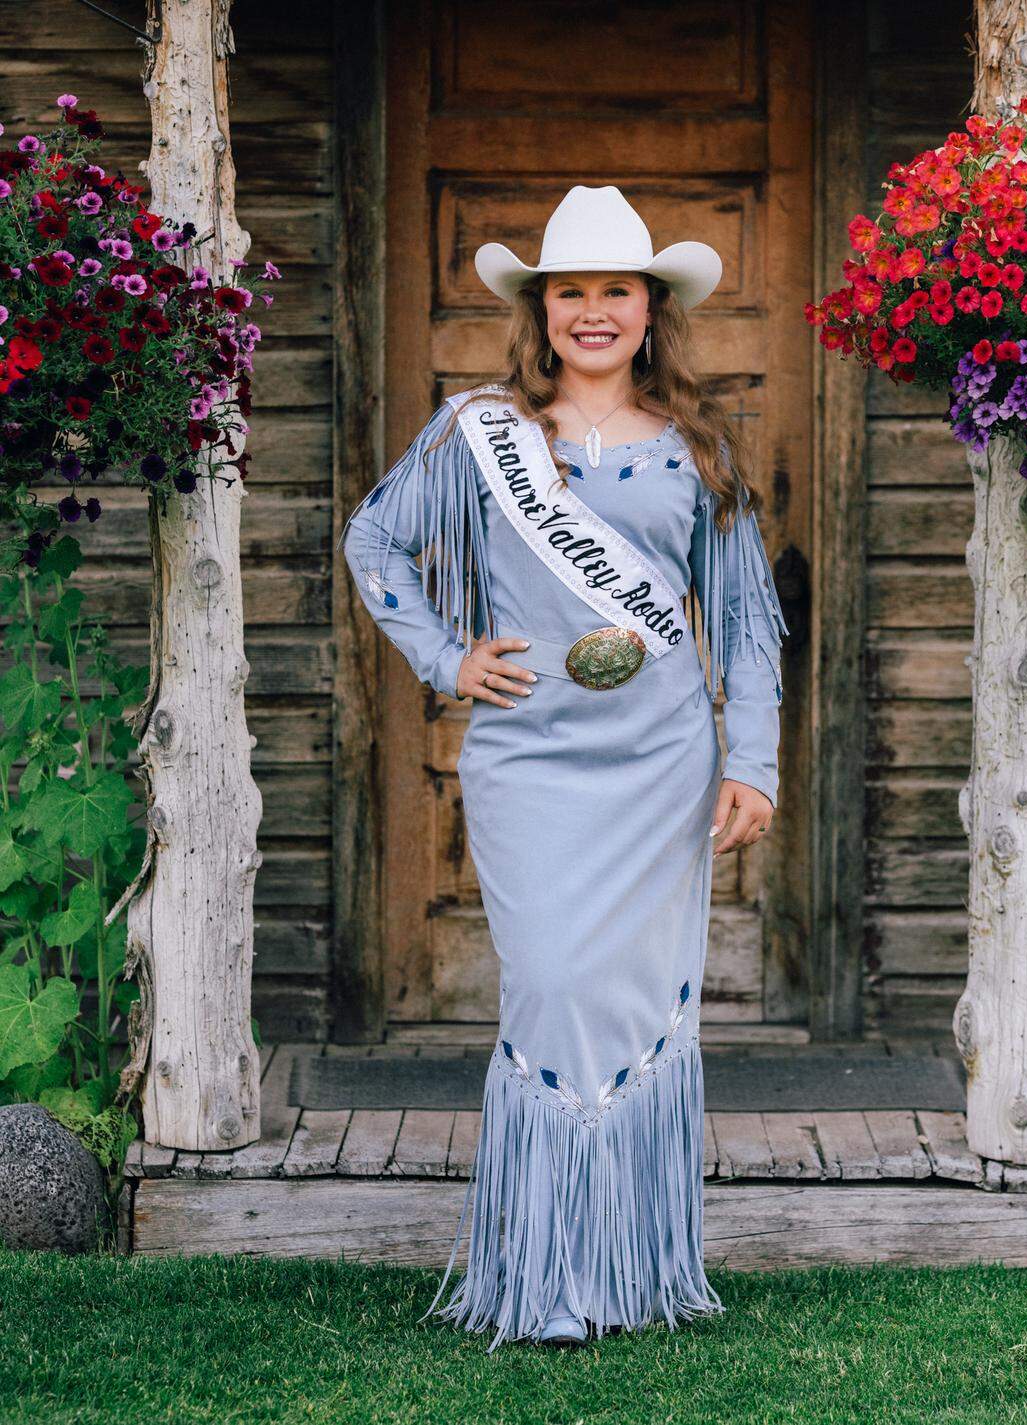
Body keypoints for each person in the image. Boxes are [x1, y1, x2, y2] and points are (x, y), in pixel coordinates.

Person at [338, 185, 788, 1351]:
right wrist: (445, 654)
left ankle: (625, 1273)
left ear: (651, 309)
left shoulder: (701, 446)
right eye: (571, 293)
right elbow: (375, 539)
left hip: (662, 766)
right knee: (549, 991)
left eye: (616, 292)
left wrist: (755, 761)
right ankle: (541, 1278)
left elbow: (744, 622)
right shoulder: (478, 433)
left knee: (633, 1003)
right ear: (542, 311)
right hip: (530, 759)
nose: (594, 312)